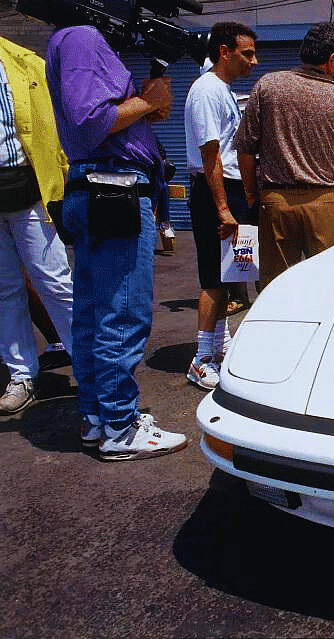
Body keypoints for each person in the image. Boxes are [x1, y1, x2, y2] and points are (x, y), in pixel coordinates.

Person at [43, 7, 188, 459]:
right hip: (115, 189)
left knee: (92, 313)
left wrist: (143, 110)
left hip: (98, 189)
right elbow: (90, 122)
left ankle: (97, 418)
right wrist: (147, 101)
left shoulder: (71, 38)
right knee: (122, 313)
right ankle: (121, 428)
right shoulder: (84, 37)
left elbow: (96, 120)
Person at [234, 23, 334, 289]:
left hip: (275, 201)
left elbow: (245, 147)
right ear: (332, 61)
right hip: (323, 202)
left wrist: (251, 192)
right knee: (328, 288)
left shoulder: (268, 86)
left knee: (274, 289)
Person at [0, 36, 73, 415]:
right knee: (5, 290)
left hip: (29, 192)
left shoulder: (26, 63)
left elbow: (53, 129)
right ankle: (22, 374)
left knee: (55, 282)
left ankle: (89, 364)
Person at [184, 21, 258, 391]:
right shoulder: (206, 91)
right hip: (215, 190)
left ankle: (219, 346)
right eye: (247, 53)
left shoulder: (224, 90)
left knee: (231, 273)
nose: (254, 61)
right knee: (214, 277)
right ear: (225, 52)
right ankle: (200, 359)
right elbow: (210, 155)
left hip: (228, 188)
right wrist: (223, 208)